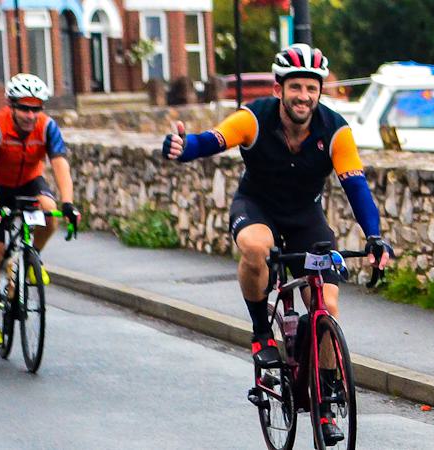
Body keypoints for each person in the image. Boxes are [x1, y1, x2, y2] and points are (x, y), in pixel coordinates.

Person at [160, 43, 391, 446]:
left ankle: (327, 393)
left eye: (312, 88)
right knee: (255, 248)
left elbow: (356, 186)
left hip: (305, 217)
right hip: (258, 207)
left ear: (320, 92)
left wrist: (374, 236)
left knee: (328, 305)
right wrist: (185, 148)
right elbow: (214, 139)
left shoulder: (335, 129)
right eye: (296, 87)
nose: (304, 96)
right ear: (279, 87)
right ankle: (261, 334)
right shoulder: (255, 116)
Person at [0, 73, 78, 347]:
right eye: (24, 108)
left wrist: (68, 203)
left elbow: (59, 164)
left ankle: (28, 260)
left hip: (30, 181)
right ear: (11, 105)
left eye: (36, 109)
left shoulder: (47, 127)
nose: (30, 115)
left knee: (50, 211)